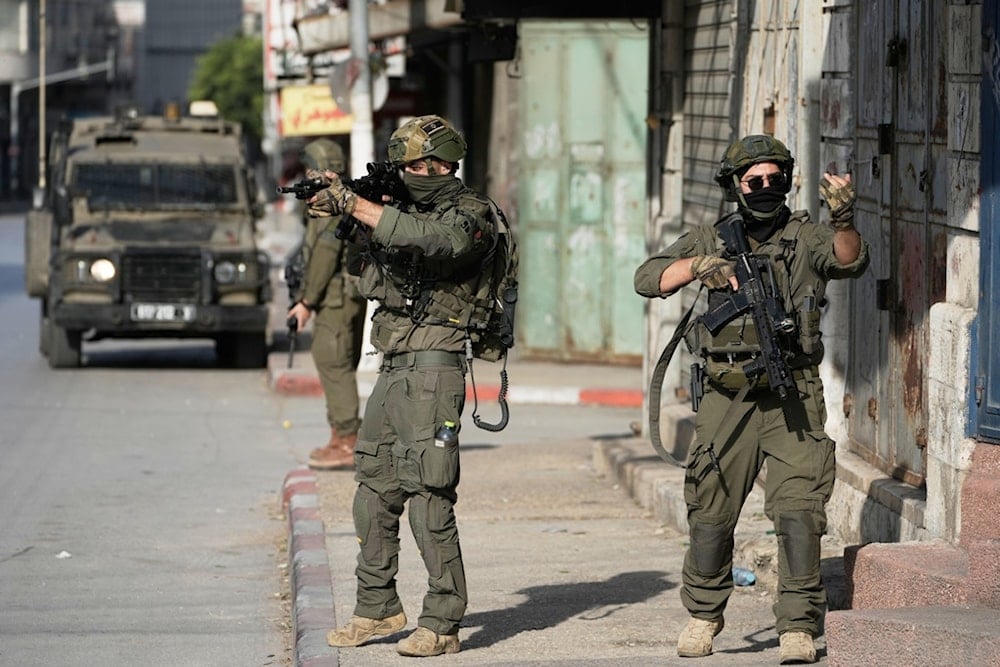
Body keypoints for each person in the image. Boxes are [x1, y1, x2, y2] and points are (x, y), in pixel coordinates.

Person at [633, 135, 870, 664]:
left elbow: (847, 259)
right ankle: (702, 615)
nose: (766, 188)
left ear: (788, 181)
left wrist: (844, 219)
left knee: (799, 515)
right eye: (754, 180)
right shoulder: (709, 236)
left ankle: (797, 627)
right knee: (710, 511)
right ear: (735, 184)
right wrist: (698, 267)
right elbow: (647, 278)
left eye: (775, 178)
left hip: (793, 397)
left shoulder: (807, 236)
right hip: (727, 399)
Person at [305, 115, 502, 657]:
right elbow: (368, 278)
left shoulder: (470, 212)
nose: (420, 173)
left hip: (436, 366)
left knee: (428, 493)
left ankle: (442, 619)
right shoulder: (401, 211)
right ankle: (376, 606)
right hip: (393, 362)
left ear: (446, 163)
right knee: (373, 488)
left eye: (426, 164)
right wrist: (349, 225)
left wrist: (361, 206)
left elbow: (437, 242)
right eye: (410, 166)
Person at [287, 138, 367, 470]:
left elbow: (323, 255)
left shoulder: (330, 204)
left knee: (332, 362)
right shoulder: (344, 197)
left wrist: (305, 301)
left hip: (335, 297)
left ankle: (347, 440)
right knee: (340, 362)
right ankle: (341, 435)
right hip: (346, 295)